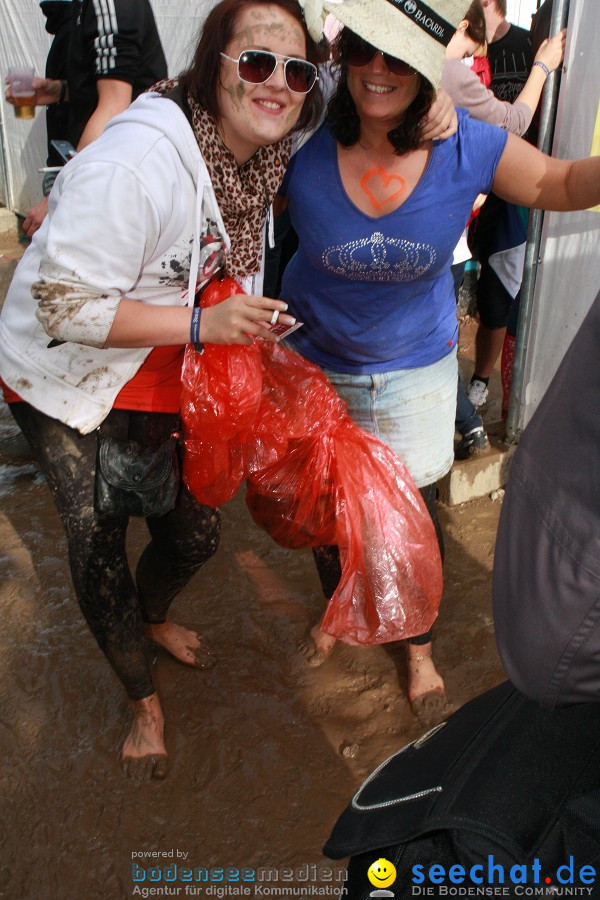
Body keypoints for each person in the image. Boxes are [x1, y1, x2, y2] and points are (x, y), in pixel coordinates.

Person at [0, 0, 324, 781]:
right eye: (255, 62)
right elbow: (62, 305)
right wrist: (203, 326)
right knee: (97, 531)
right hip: (66, 372)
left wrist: (445, 94)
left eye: (296, 70)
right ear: (214, 61)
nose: (277, 84)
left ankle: (151, 619)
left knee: (195, 534)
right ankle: (141, 696)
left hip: (169, 362)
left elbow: (379, 82)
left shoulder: (266, 150)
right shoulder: (138, 162)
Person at [276, 0, 600, 721]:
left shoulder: (468, 146)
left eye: (399, 57)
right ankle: (338, 608)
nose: (378, 71)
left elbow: (558, 183)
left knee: (410, 518)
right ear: (346, 55)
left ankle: (416, 646)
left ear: (430, 68)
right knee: (328, 508)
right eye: (365, 52)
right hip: (315, 363)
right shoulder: (301, 139)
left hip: (416, 369)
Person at [441, 0, 565, 457]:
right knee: (465, 317)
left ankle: (472, 406)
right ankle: (469, 416)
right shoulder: (447, 70)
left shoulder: (453, 67)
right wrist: (542, 68)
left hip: (491, 206)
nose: (479, 58)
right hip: (463, 220)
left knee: (495, 303)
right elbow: (513, 122)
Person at [5, 0, 168, 237]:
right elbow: (121, 84)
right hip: (114, 177)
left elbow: (115, 106)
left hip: (123, 180)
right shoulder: (85, 7)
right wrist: (59, 91)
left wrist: (60, 195)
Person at [466, 0, 534, 411]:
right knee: (457, 281)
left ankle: (481, 381)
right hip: (469, 186)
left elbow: (524, 121)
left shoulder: (528, 46)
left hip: (512, 190)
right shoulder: (461, 46)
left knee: (498, 294)